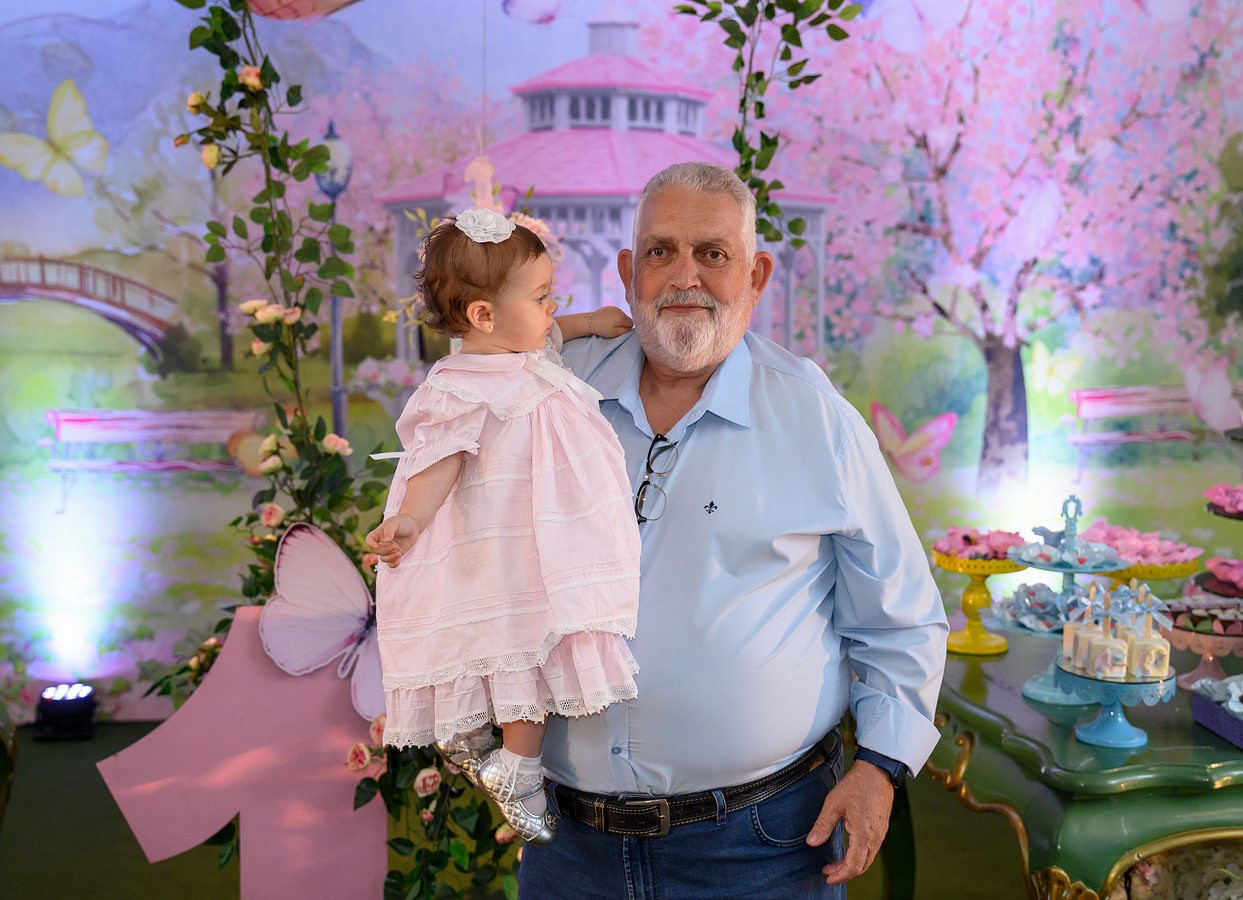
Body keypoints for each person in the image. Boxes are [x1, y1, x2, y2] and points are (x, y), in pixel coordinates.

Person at [518, 162, 949, 898]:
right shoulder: (550, 395)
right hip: (568, 848)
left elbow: (900, 619)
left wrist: (880, 766)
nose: (684, 275)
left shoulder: (816, 420)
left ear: (755, 276)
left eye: (712, 254)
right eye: (660, 251)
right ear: (627, 273)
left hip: (761, 848)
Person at [364, 208, 640, 845]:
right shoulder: (460, 385)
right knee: (518, 647)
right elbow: (437, 463)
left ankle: (497, 758)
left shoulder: (525, 348)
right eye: (541, 298)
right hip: (502, 543)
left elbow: (551, 332)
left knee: (542, 634)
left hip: (549, 537)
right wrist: (410, 519)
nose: (552, 309)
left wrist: (590, 322)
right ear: (483, 316)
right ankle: (516, 769)